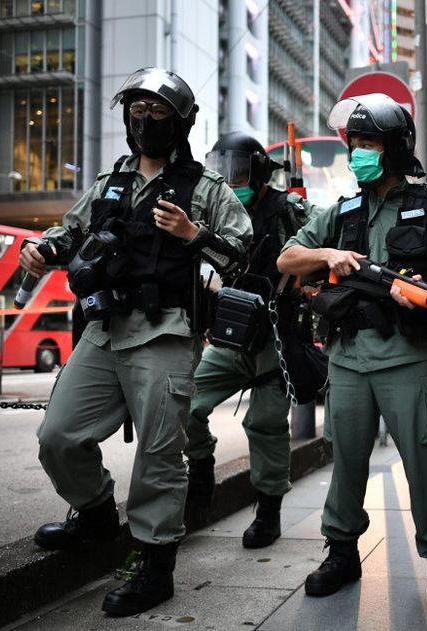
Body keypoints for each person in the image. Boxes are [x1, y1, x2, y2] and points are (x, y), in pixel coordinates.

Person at [19, 67, 253, 616]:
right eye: (138, 110)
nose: (145, 120)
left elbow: (242, 252)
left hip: (166, 332)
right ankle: (97, 513)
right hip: (103, 331)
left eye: (158, 112)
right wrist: (42, 249)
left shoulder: (204, 189)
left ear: (182, 123)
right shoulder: (111, 182)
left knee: (159, 452)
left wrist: (193, 235)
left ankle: (154, 562)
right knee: (57, 435)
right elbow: (69, 231)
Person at [277, 93, 427, 611]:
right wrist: (328, 253)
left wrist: (421, 290)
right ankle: (341, 551)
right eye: (355, 143)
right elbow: (287, 258)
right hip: (347, 359)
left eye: (369, 143)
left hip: (409, 359)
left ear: (394, 149)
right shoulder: (339, 212)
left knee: (422, 460)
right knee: (345, 461)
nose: (359, 152)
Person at [183, 132, 315, 546]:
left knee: (265, 425)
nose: (230, 177)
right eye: (222, 167)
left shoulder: (287, 209)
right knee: (184, 402)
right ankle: (201, 471)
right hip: (227, 336)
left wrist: (304, 273)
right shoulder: (212, 209)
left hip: (275, 335)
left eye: (238, 168)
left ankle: (269, 510)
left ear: (258, 171)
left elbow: (327, 235)